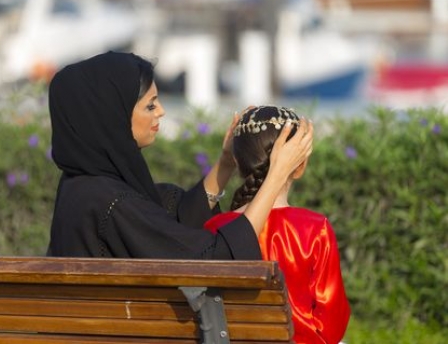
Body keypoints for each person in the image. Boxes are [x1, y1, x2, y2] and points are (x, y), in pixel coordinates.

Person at [46, 51, 313, 259]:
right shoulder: (111, 203)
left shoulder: (84, 186)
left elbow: (168, 225)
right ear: (112, 117)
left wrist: (225, 163)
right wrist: (277, 175)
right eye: (150, 105)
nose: (160, 111)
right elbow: (216, 257)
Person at [204, 106, 350, 344]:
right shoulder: (315, 228)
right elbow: (332, 324)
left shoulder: (215, 227)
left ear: (238, 163)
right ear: (300, 166)